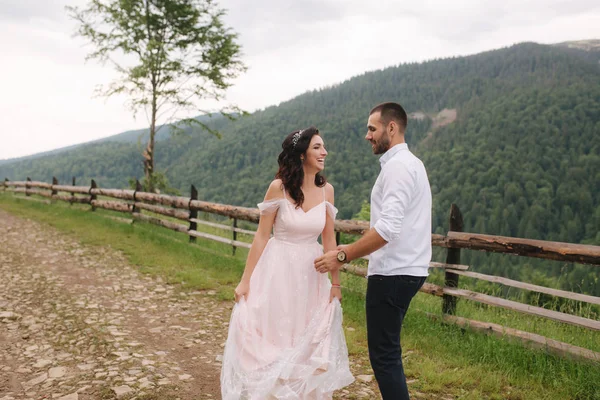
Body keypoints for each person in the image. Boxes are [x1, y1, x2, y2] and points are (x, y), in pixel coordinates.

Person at [221, 127, 354, 399]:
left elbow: (329, 240)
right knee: (277, 337)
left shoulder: (327, 191)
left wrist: (336, 283)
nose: (324, 152)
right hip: (278, 272)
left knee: (306, 340)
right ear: (301, 153)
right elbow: (261, 237)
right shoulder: (278, 189)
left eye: (324, 147)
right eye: (317, 147)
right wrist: (245, 280)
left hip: (312, 274)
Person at [314, 102, 432, 400]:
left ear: (391, 128)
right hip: (408, 269)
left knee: (384, 356)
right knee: (388, 352)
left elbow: (388, 229)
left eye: (372, 129)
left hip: (393, 272)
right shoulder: (411, 164)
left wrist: (343, 255)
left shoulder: (398, 168)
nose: (368, 136)